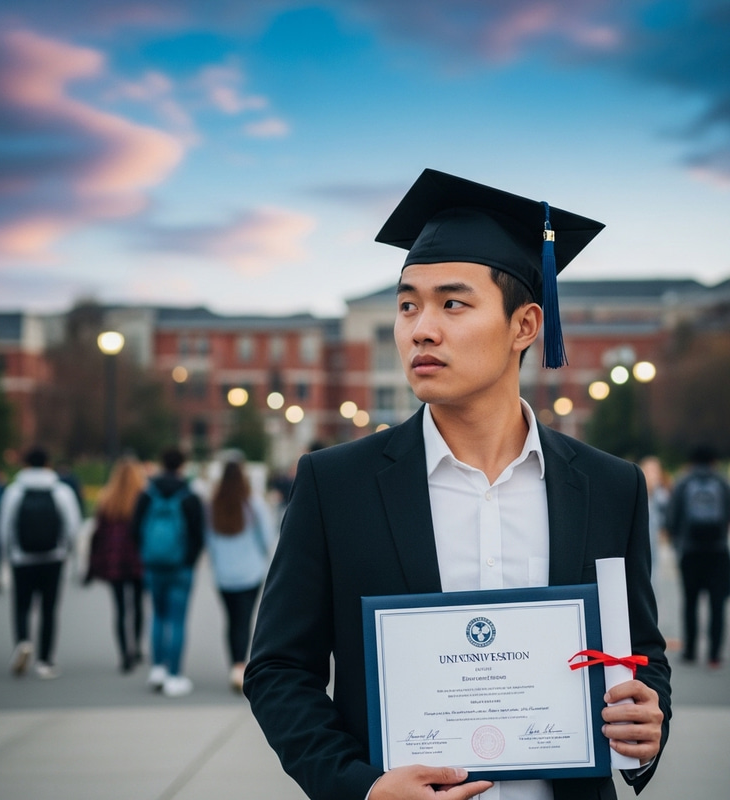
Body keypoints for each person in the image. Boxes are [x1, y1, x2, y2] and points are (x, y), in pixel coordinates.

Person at [244, 169, 671, 800]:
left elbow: (637, 650)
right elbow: (280, 669)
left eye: (453, 303)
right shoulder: (336, 486)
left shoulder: (609, 486)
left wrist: (644, 721)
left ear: (525, 326)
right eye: (408, 305)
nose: (420, 328)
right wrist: (358, 788)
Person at [0, 446, 82, 679]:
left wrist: (5, 556)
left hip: (21, 558)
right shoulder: (60, 491)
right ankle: (45, 659)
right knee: (49, 609)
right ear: (48, 463)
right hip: (53, 558)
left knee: (21, 606)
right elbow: (73, 526)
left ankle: (23, 643)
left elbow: (4, 526)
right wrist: (71, 555)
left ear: (24, 464)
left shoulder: (14, 491)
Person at [132, 447, 204, 697]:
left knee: (158, 616)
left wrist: (146, 555)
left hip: (153, 565)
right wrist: (189, 562)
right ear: (182, 464)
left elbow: (135, 529)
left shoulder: (147, 494)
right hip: (180, 567)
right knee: (178, 620)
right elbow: (198, 535)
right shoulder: (189, 496)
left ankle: (157, 670)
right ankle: (175, 676)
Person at [205, 457, 274, 692]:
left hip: (224, 574)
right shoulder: (252, 503)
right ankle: (240, 667)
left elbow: (210, 542)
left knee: (232, 620)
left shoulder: (213, 504)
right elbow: (266, 537)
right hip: (250, 572)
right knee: (244, 621)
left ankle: (235, 665)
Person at [666, 444, 730, 668]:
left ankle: (691, 651)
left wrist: (677, 544)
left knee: (690, 602)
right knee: (717, 604)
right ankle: (714, 655)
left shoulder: (683, 483)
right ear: (713, 461)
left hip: (691, 551)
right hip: (718, 551)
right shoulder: (721, 482)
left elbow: (672, 517)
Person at [86, 456, 147, 673]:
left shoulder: (107, 498)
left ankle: (124, 654)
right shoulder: (142, 497)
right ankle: (137, 646)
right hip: (139, 560)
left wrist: (91, 565)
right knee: (138, 606)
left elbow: (98, 533)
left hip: (114, 561)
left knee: (120, 609)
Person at [639, 455, 670, 585]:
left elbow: (666, 512)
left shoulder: (660, 493)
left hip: (654, 541)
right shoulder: (637, 493)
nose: (654, 475)